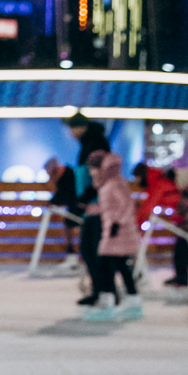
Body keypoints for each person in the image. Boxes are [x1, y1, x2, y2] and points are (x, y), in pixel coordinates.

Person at [77, 150, 142, 319]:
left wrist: (116, 224)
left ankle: (107, 304)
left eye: (93, 168)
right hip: (113, 230)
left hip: (116, 232)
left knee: (104, 265)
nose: (91, 172)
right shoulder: (108, 182)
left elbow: (125, 205)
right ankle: (133, 300)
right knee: (120, 265)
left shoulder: (113, 183)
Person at [64, 112, 110, 290]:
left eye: (72, 128)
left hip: (97, 205)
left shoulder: (95, 143)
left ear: (81, 127)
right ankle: (97, 289)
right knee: (89, 250)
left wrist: (84, 198)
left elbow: (99, 176)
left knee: (94, 250)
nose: (71, 133)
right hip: (90, 205)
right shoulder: (88, 143)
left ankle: (103, 290)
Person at [43, 155, 79, 261]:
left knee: (73, 228)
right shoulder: (64, 175)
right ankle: (71, 255)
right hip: (74, 207)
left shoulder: (66, 175)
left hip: (78, 207)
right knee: (68, 227)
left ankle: (73, 256)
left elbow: (66, 194)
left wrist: (52, 202)